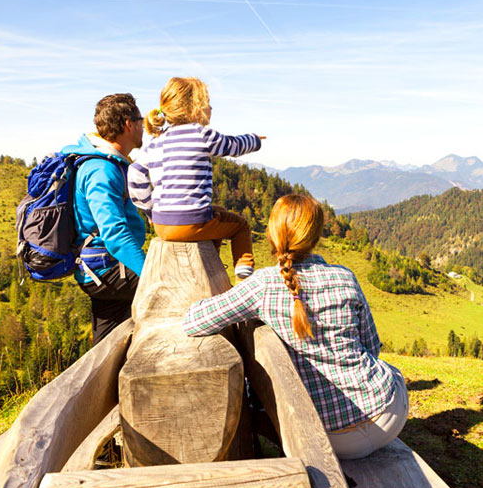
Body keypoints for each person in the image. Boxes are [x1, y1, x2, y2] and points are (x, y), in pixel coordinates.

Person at [182, 194, 408, 459]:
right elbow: (372, 348)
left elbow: (193, 321)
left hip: (325, 436)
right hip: (388, 418)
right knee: (394, 374)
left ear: (272, 234)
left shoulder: (264, 285)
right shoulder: (346, 277)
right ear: (315, 236)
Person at [128, 77, 264, 280]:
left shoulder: (155, 141)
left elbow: (135, 173)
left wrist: (151, 209)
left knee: (219, 212)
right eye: (207, 102)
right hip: (194, 223)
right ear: (195, 107)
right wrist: (254, 140)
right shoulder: (202, 134)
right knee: (240, 226)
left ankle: (213, 261)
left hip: (162, 226)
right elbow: (233, 146)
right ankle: (243, 272)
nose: (211, 107)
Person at [62, 93, 147, 345]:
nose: (143, 126)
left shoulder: (107, 162)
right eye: (140, 120)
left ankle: (104, 381)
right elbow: (116, 235)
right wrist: (150, 274)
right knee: (179, 291)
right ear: (128, 124)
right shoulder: (102, 170)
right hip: (108, 270)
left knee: (107, 344)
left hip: (98, 269)